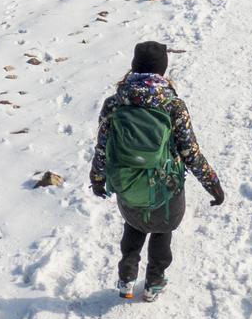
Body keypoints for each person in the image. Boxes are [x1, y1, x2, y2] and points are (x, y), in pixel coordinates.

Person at [89, 40, 225, 301]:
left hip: (127, 184)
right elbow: (190, 153)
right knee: (162, 231)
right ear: (162, 70)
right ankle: (153, 282)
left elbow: (103, 147)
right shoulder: (173, 105)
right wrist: (213, 184)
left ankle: (127, 272)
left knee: (134, 225)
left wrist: (97, 178)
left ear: (134, 67)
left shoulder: (114, 103)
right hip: (166, 188)